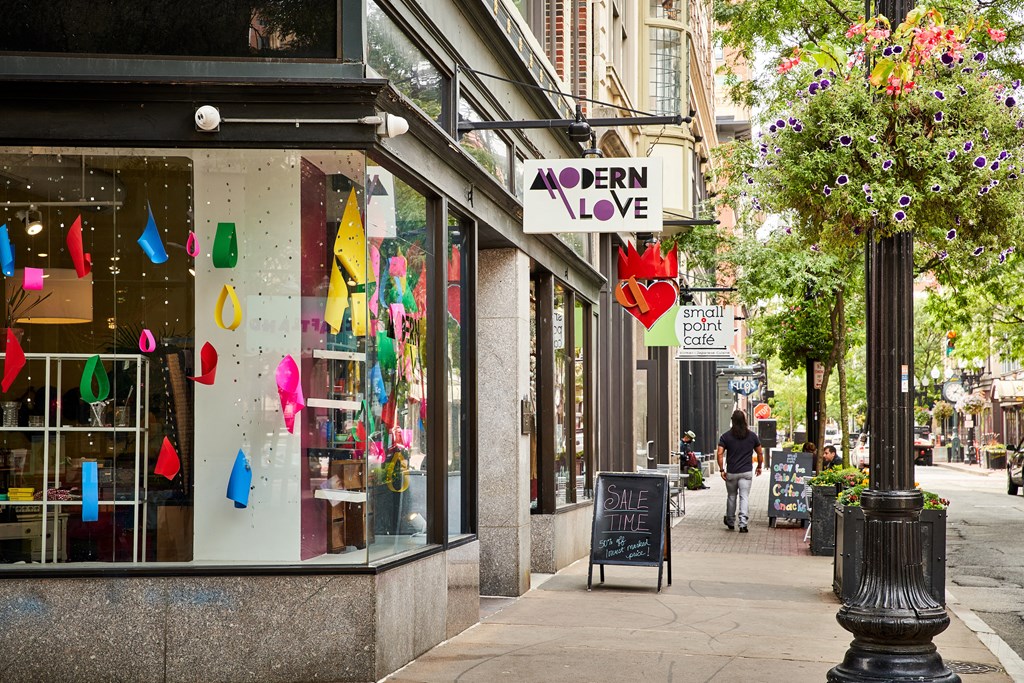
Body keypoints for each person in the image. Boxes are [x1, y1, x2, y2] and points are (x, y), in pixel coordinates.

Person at [716, 410, 763, 532]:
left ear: (732, 420)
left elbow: (720, 453)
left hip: (731, 472)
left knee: (731, 496)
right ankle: (743, 524)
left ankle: (730, 521)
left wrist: (721, 469)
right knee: (744, 497)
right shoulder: (752, 436)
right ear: (744, 420)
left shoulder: (725, 436)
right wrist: (759, 466)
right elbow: (759, 452)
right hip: (746, 472)